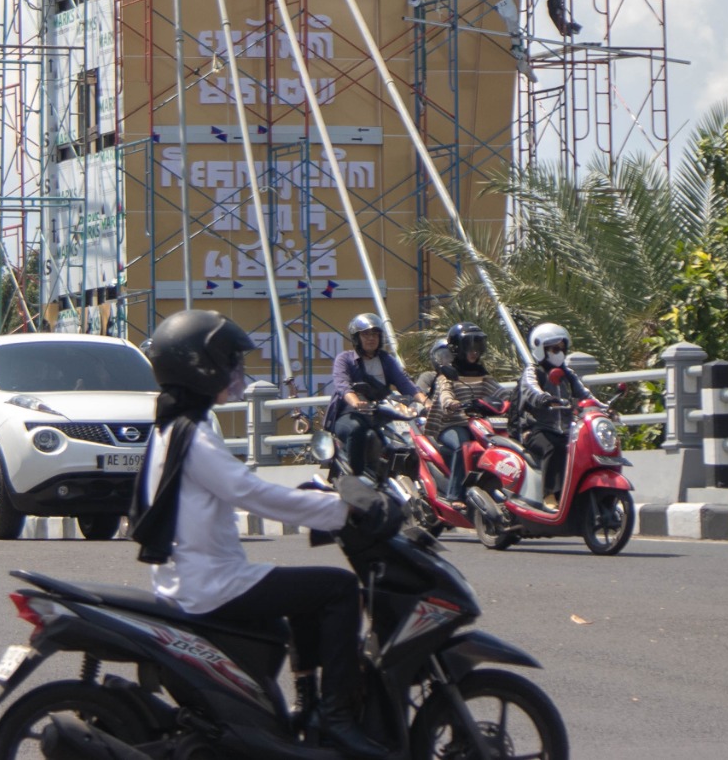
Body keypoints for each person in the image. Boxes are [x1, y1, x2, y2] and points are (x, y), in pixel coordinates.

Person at [130, 309, 390, 760]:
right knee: (339, 588)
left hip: (191, 578)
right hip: (212, 583)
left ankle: (307, 708)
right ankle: (336, 717)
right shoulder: (196, 435)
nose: (237, 373)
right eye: (230, 362)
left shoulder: (171, 425)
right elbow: (251, 493)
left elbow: (239, 489)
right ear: (201, 367)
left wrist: (320, 496)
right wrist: (342, 510)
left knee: (303, 599)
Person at [323, 313, 417, 483]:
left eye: (375, 334)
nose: (371, 338)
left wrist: (426, 402)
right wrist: (357, 403)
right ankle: (355, 479)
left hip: (381, 413)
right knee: (357, 430)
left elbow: (405, 384)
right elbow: (343, 385)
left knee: (408, 438)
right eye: (366, 334)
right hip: (351, 413)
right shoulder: (345, 359)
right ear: (357, 338)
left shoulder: (386, 360)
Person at [513, 322, 592, 500]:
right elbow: (531, 390)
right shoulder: (533, 372)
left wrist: (603, 407)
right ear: (542, 349)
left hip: (564, 430)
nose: (560, 353)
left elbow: (585, 393)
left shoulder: (567, 374)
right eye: (554, 349)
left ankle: (577, 495)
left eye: (562, 349)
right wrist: (545, 399)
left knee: (583, 447)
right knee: (553, 447)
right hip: (536, 430)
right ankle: (550, 496)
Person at [419, 323, 500, 488]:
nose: (474, 352)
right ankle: (455, 493)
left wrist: (514, 399)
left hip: (477, 424)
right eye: (469, 348)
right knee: (462, 446)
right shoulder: (446, 376)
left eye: (477, 348)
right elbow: (445, 395)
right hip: (452, 423)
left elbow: (500, 392)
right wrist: (451, 403)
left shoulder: (482, 374)